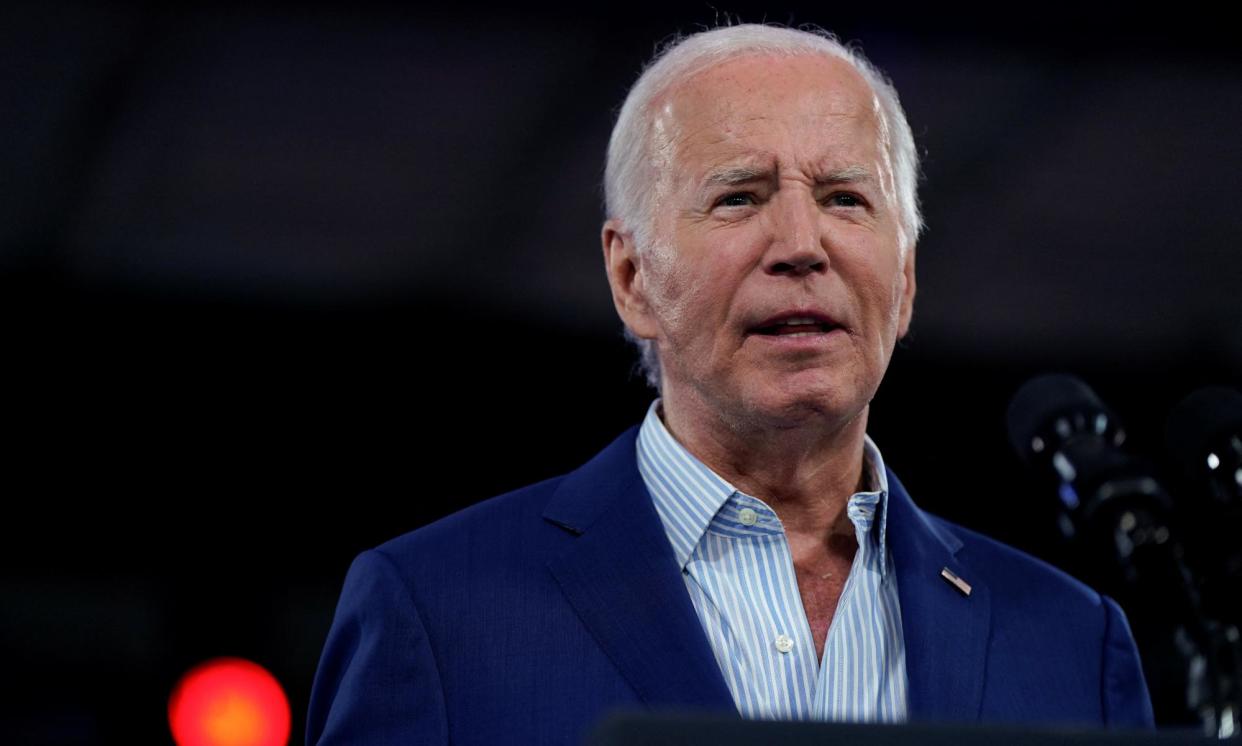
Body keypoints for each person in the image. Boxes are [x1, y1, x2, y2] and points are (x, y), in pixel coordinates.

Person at [306, 24, 1154, 745]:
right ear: (632, 276)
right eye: (740, 198)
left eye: (846, 198)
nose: (800, 243)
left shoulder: (1074, 644)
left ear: (904, 283)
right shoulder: (437, 613)